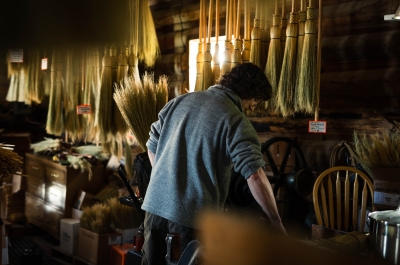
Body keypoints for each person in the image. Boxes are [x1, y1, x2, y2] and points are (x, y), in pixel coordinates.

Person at [141, 62, 287, 265]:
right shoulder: (235, 119)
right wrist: (276, 221)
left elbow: (151, 146)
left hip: (154, 209)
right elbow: (254, 175)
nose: (254, 107)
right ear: (249, 92)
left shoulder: (180, 101)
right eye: (256, 101)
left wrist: (168, 183)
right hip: (190, 220)